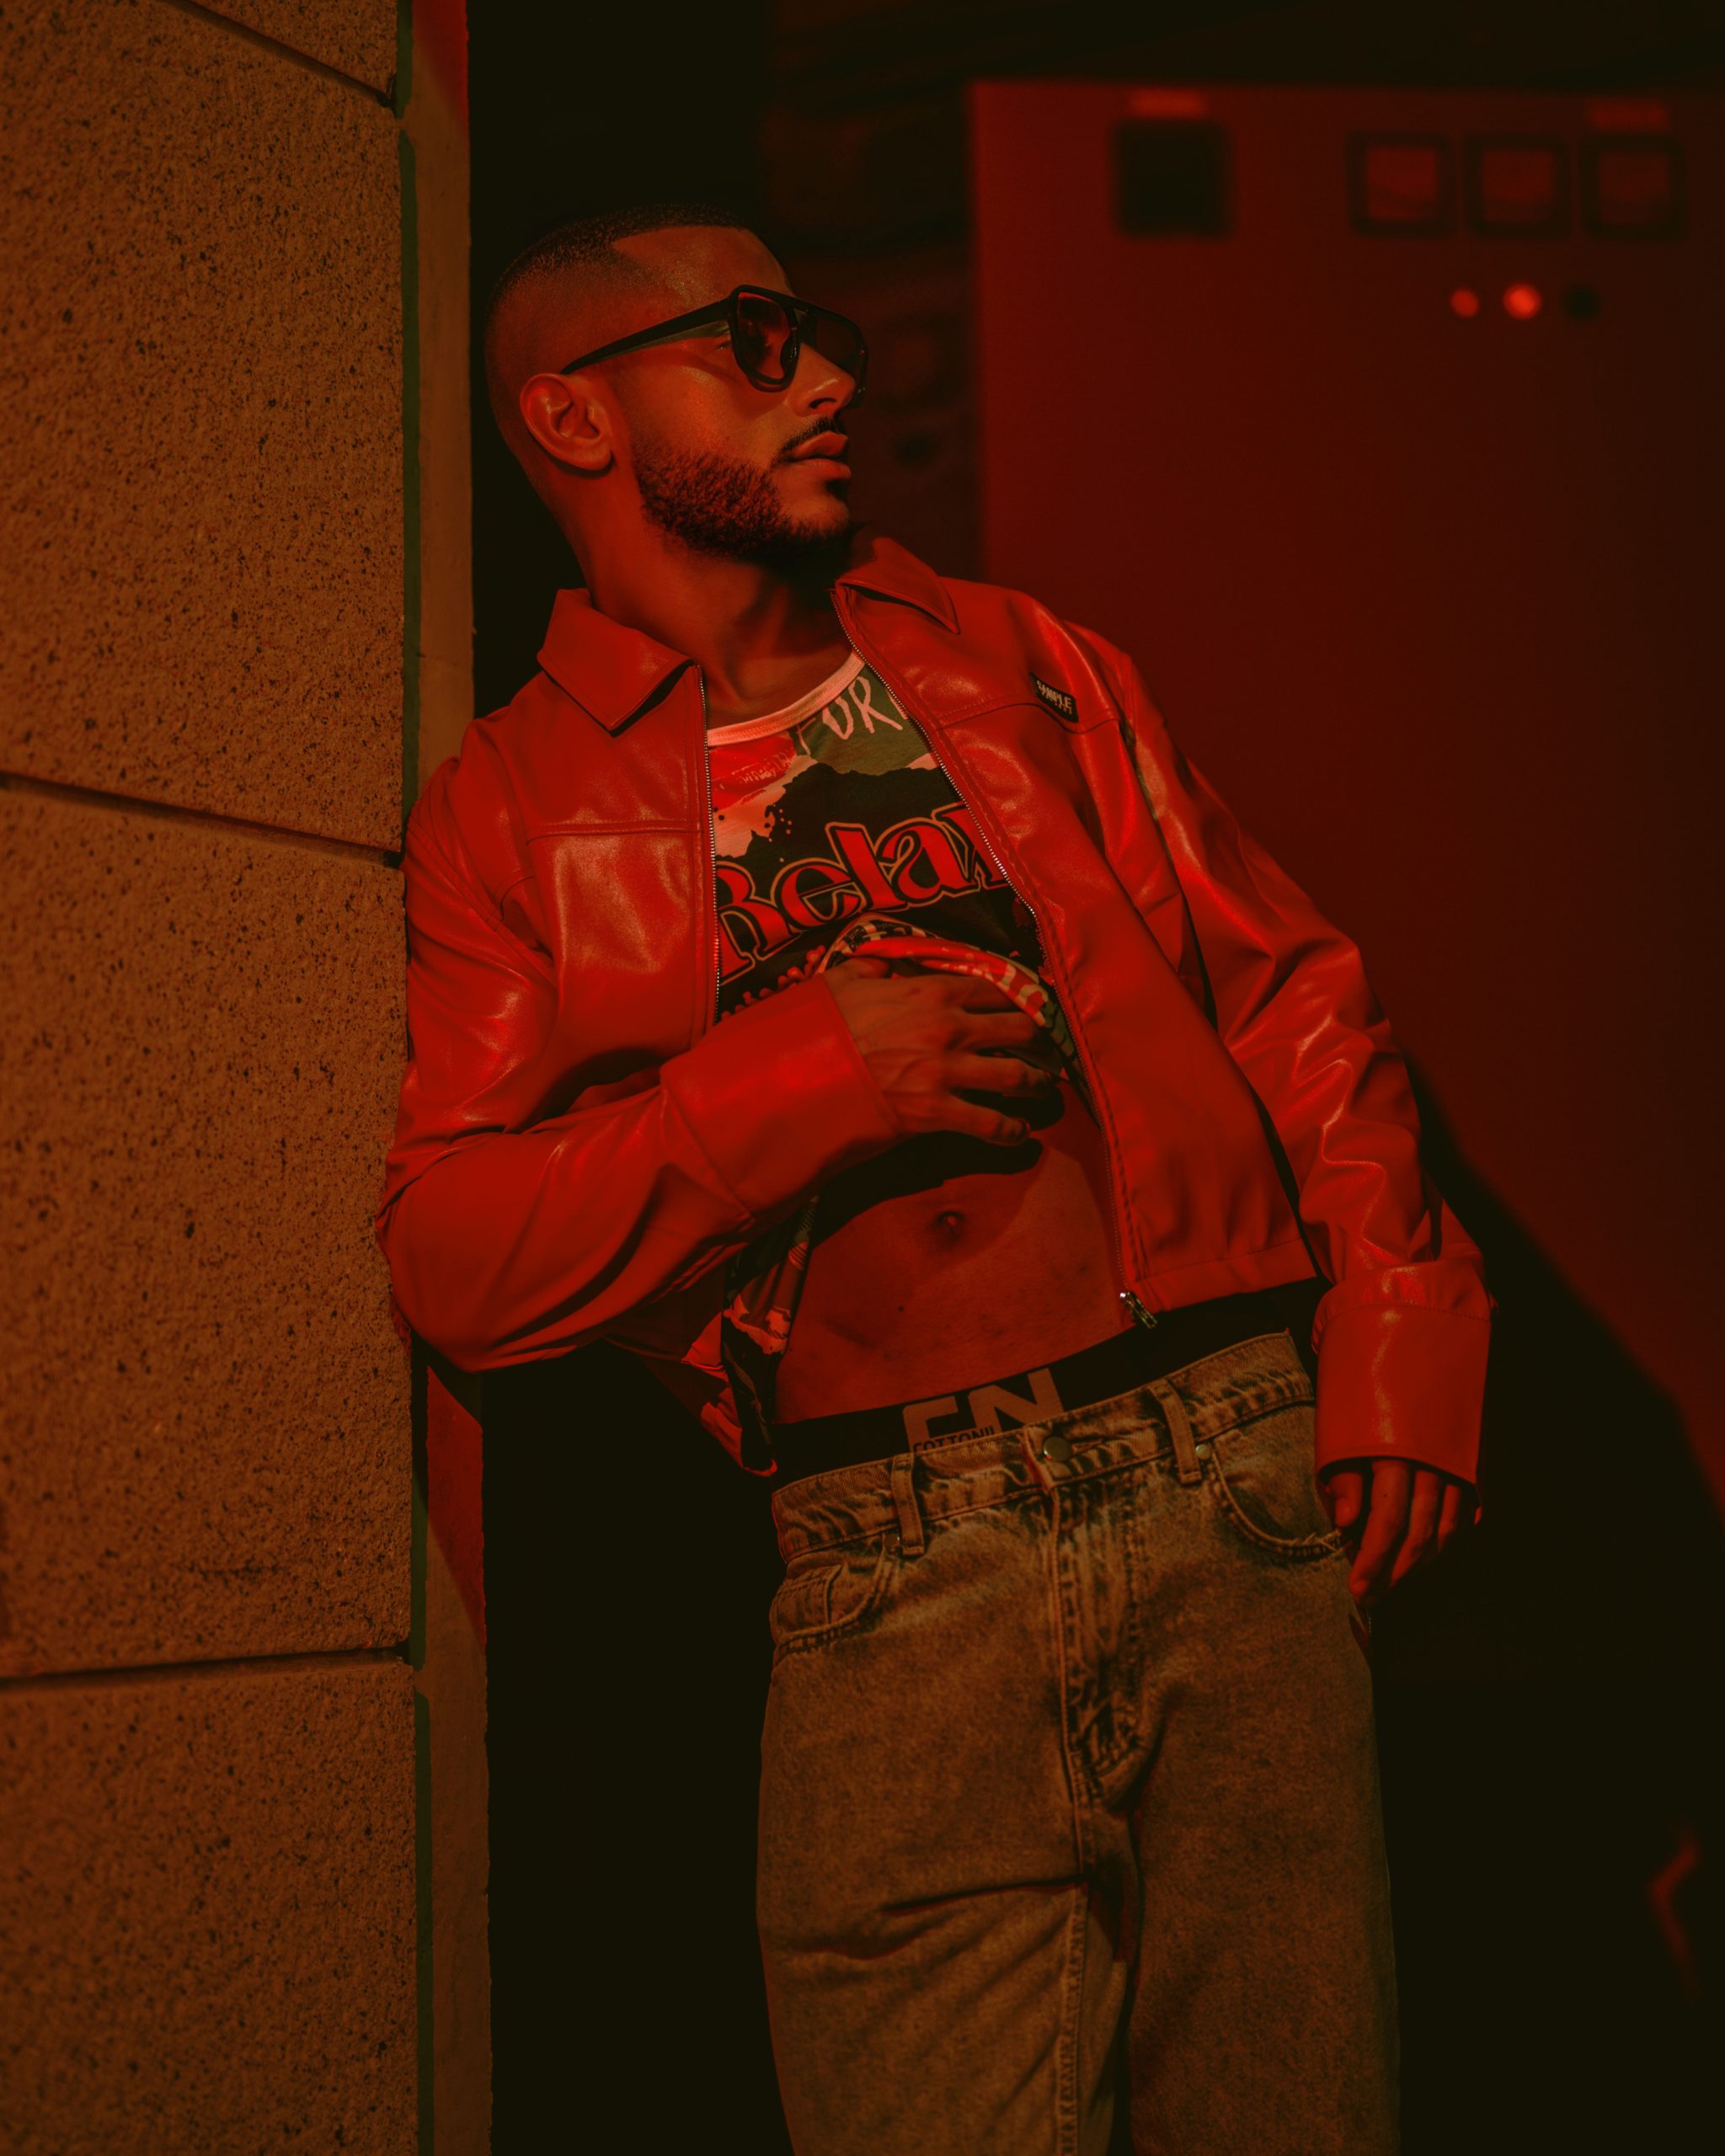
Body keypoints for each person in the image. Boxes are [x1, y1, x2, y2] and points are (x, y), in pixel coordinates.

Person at [375, 200, 1493, 2154]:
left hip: (1226, 1481)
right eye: (754, 338)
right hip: (891, 1558)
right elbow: (452, 1246)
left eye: (819, 334)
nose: (825, 376)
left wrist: (1400, 1324)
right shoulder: (506, 807)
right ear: (572, 415)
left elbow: (1291, 992)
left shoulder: (1018, 658)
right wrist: (792, 1081)